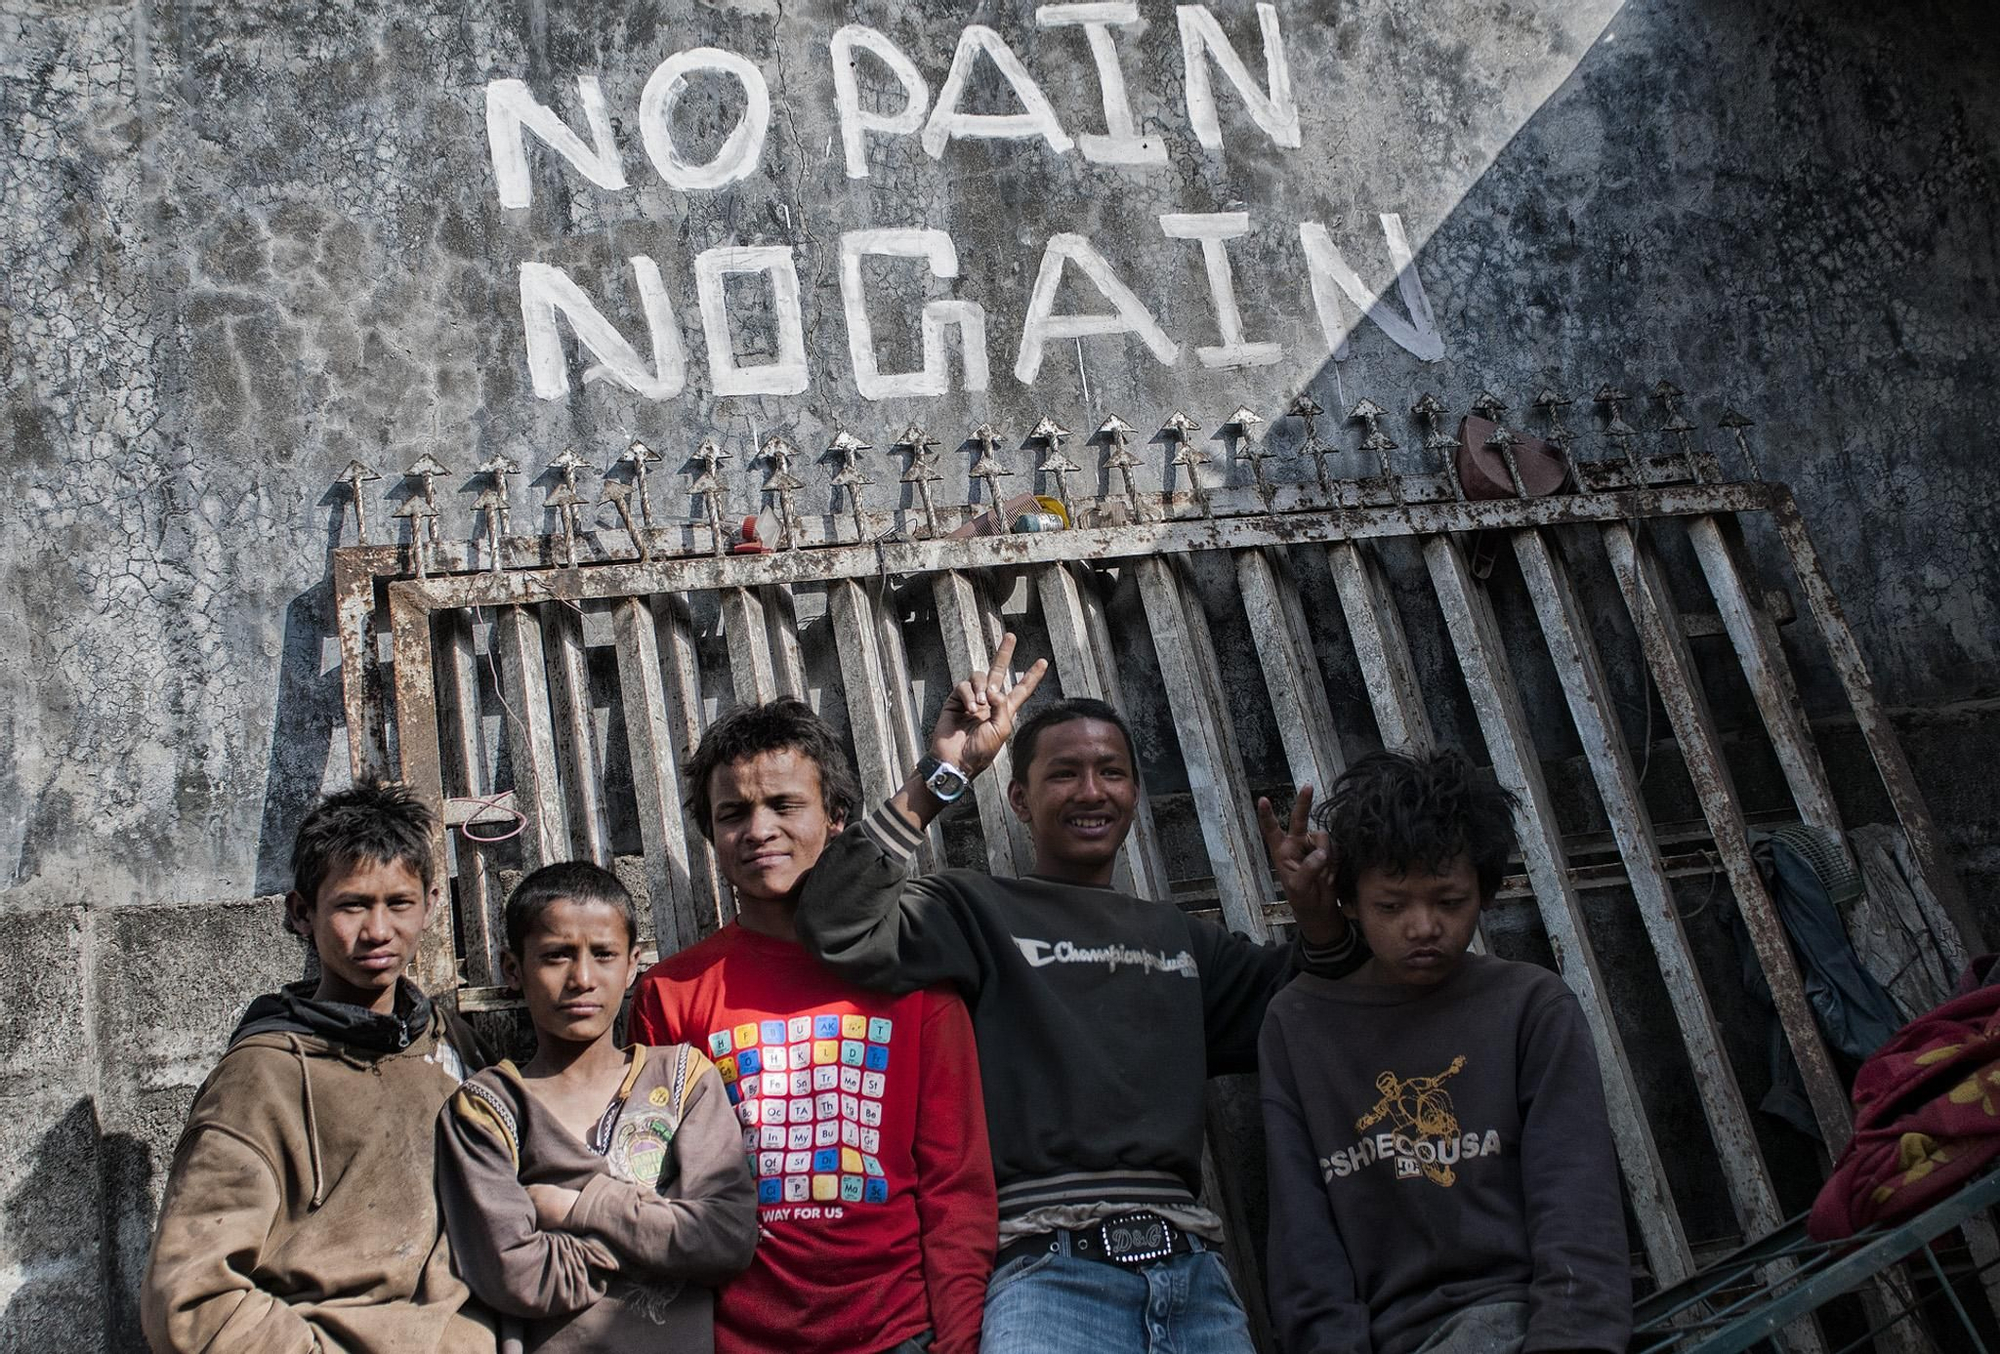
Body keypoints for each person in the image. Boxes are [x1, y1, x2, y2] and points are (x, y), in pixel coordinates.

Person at [794, 635, 1359, 1352]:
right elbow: (837, 922)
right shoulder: (975, 911)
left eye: (1112, 773)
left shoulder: (1186, 941)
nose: (1092, 791)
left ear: (1134, 793)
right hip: (1046, 1274)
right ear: (1020, 801)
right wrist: (942, 773)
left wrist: (1317, 913)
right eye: (1065, 774)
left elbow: (1322, 1015)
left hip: (1197, 1279)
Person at [629, 698, 996, 1354]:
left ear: (838, 820)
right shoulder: (671, 994)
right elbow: (654, 1186)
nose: (758, 829)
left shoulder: (916, 982)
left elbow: (956, 1184)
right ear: (712, 837)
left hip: (902, 1332)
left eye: (784, 805)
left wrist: (961, 1335)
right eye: (733, 813)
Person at [1259, 750, 1631, 1354]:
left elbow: (1576, 1203)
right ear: (1346, 900)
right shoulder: (1298, 1024)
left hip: (1515, 1320)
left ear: (1486, 894)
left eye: (1449, 901)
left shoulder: (1530, 1006)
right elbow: (1304, 1240)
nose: (1423, 926)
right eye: (1391, 905)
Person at [141, 778, 498, 1354]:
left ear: (432, 904)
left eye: (399, 903)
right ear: (302, 912)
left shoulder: (453, 1046)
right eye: (352, 905)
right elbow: (192, 1301)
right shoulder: (260, 1080)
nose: (378, 931)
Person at [436, 862, 758, 1353]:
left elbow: (727, 1240)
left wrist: (574, 1207)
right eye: (556, 956)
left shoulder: (682, 1081)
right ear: (513, 969)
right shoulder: (489, 1109)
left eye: (603, 955)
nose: (582, 978)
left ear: (632, 965)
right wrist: (663, 1231)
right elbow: (513, 1275)